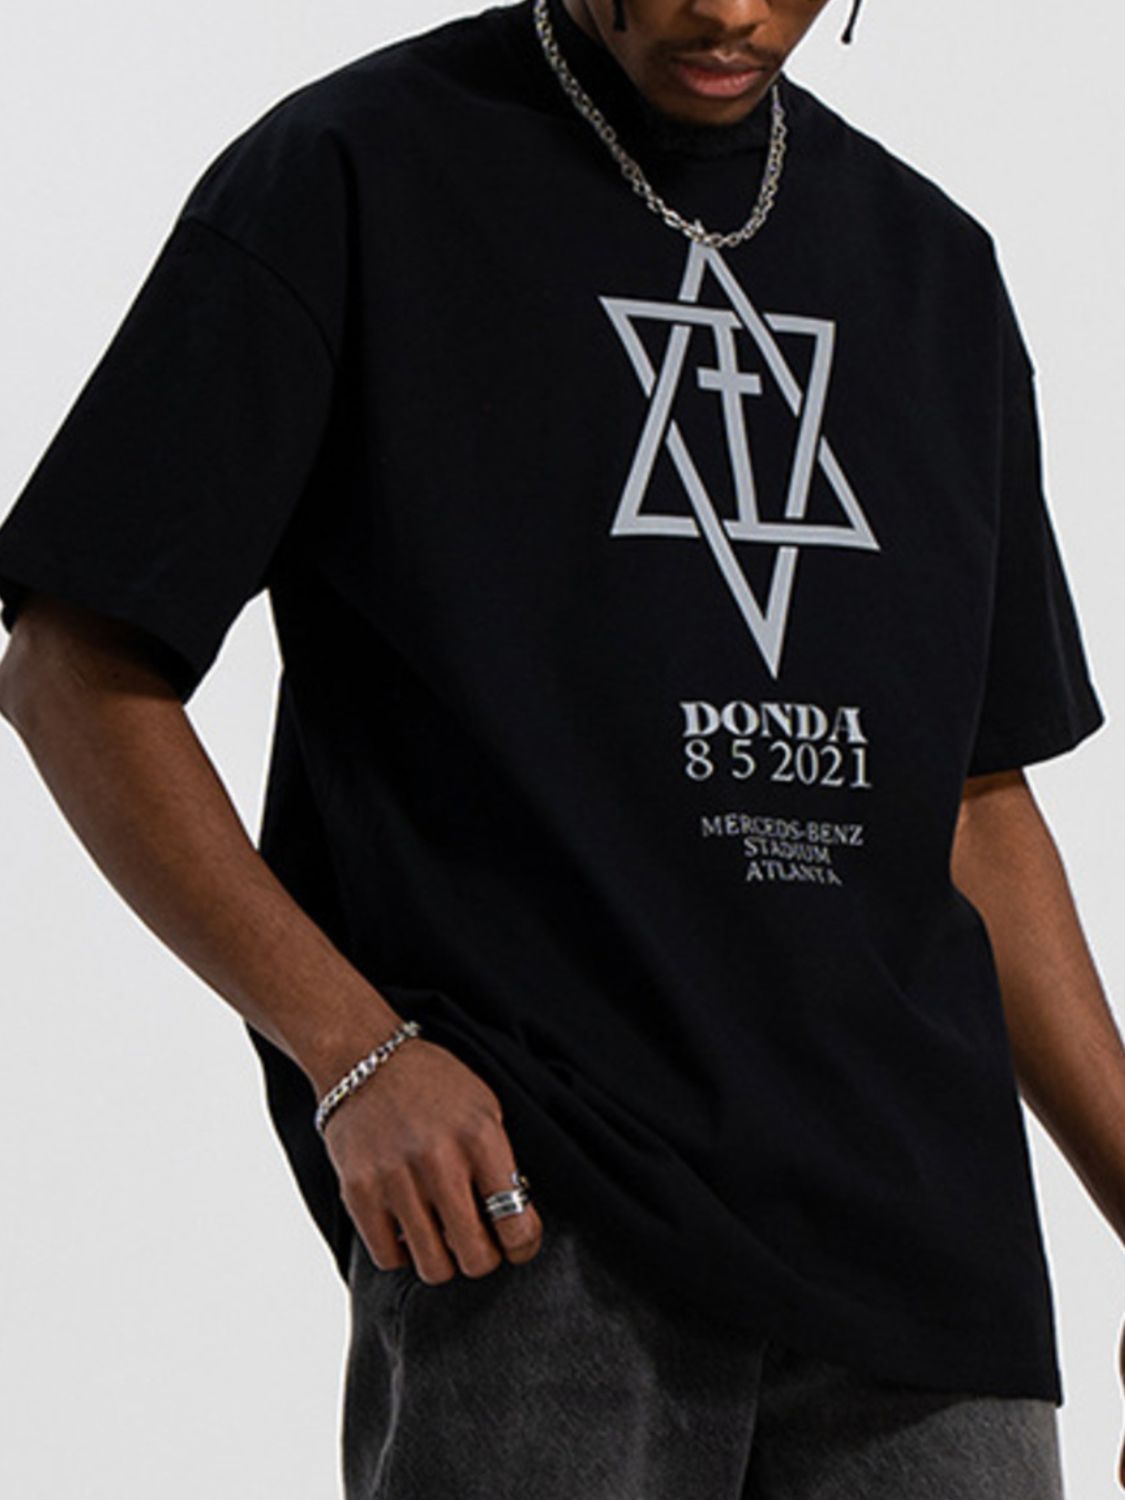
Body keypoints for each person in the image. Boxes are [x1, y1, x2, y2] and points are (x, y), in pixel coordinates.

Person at [0, 0, 1118, 1494]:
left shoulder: (932, 269)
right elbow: (71, 666)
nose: (729, 9)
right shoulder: (356, 177)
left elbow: (971, 803)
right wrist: (353, 1055)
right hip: (541, 1230)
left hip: (929, 1262)